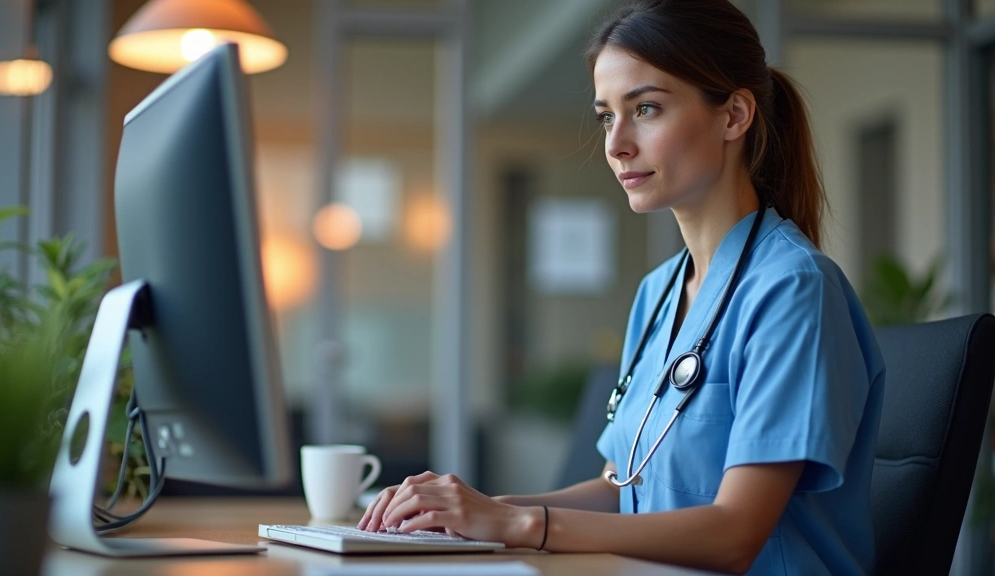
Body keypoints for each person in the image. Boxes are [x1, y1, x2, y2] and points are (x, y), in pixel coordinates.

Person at [357, 1, 886, 573]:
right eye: (607, 116)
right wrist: (471, 510)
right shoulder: (659, 292)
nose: (617, 144)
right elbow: (620, 488)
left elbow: (735, 534)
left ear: (734, 115)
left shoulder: (792, 289)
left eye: (647, 109)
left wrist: (516, 525)